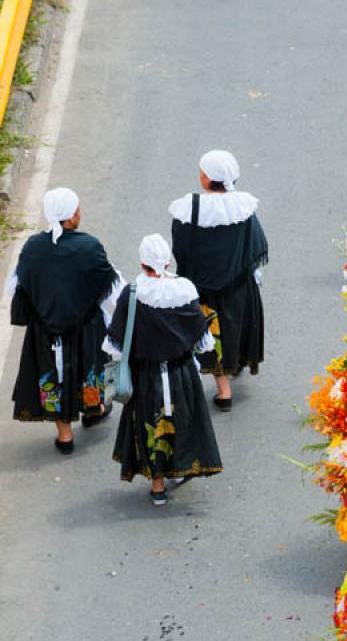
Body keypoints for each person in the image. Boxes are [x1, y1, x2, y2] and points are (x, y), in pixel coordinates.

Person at [104, 234, 222, 506]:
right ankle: (179, 468)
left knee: (152, 425)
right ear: (167, 262)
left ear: (143, 263)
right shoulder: (184, 290)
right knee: (181, 420)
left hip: (146, 376)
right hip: (181, 374)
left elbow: (116, 343)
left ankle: (157, 487)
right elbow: (202, 340)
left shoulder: (133, 293)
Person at [10, 187, 123, 454]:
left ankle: (65, 436)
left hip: (45, 331)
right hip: (84, 328)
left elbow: (19, 286)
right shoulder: (89, 246)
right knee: (88, 369)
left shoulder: (32, 247)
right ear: (71, 217)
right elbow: (109, 288)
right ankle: (93, 410)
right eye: (77, 209)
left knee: (54, 375)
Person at [169, 149, 268, 412]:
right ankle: (237, 363)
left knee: (212, 334)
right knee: (236, 326)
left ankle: (223, 389)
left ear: (206, 179)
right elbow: (256, 246)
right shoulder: (243, 207)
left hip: (202, 287)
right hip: (238, 286)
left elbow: (180, 249)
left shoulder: (188, 208)